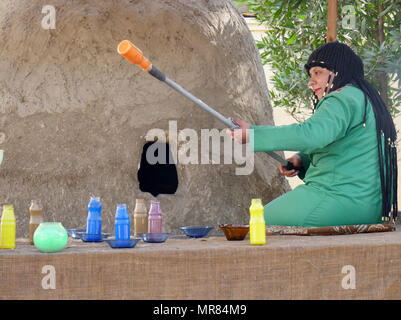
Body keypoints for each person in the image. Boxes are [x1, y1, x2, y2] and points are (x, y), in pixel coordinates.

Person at [228, 42, 397, 227]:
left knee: (258, 220)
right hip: (370, 206)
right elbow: (344, 148)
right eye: (311, 75)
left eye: (318, 72)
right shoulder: (364, 98)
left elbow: (311, 135)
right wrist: (302, 160)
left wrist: (252, 134)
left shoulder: (341, 98)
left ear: (338, 71)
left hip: (338, 200)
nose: (311, 81)